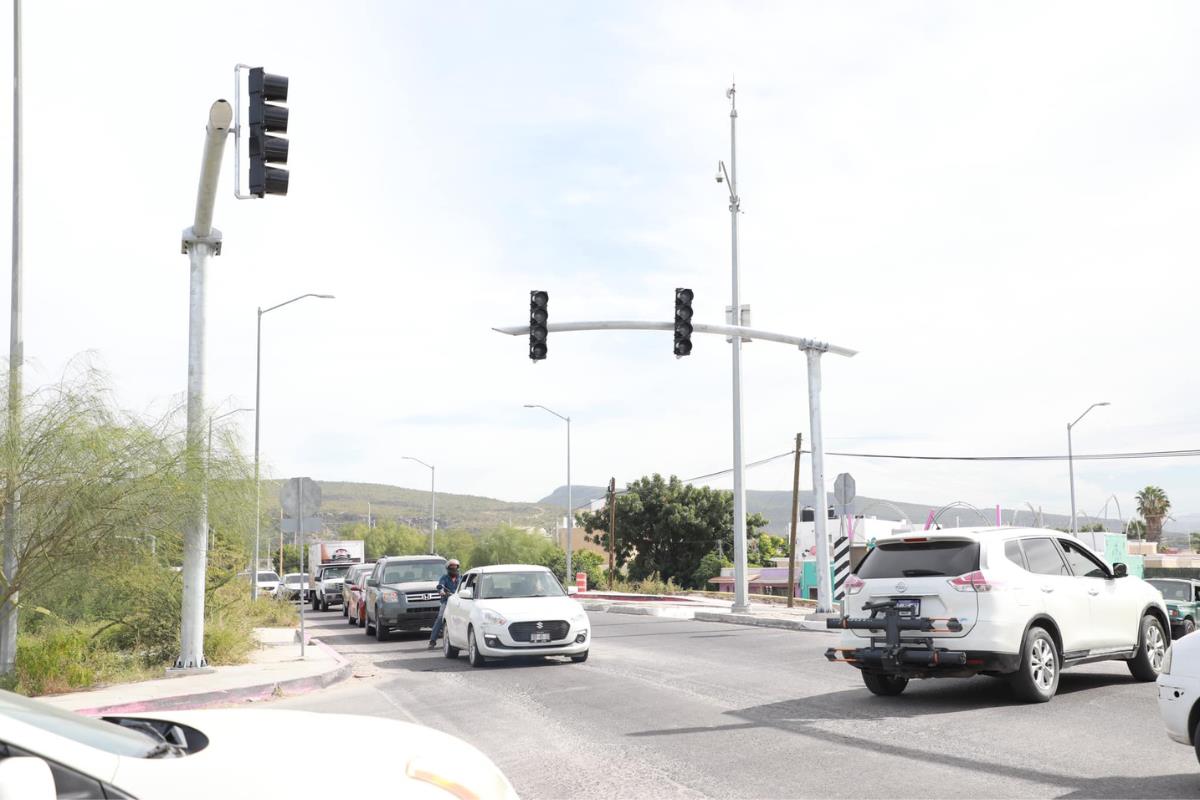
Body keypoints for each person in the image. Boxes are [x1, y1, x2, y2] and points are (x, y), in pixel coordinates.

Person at [428, 559, 461, 648]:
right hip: (446, 601)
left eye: (455, 567)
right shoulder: (444, 578)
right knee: (440, 618)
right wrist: (442, 591)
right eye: (452, 567)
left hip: (459, 602)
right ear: (448, 568)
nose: (454, 569)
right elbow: (440, 586)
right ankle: (432, 641)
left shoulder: (461, 578)